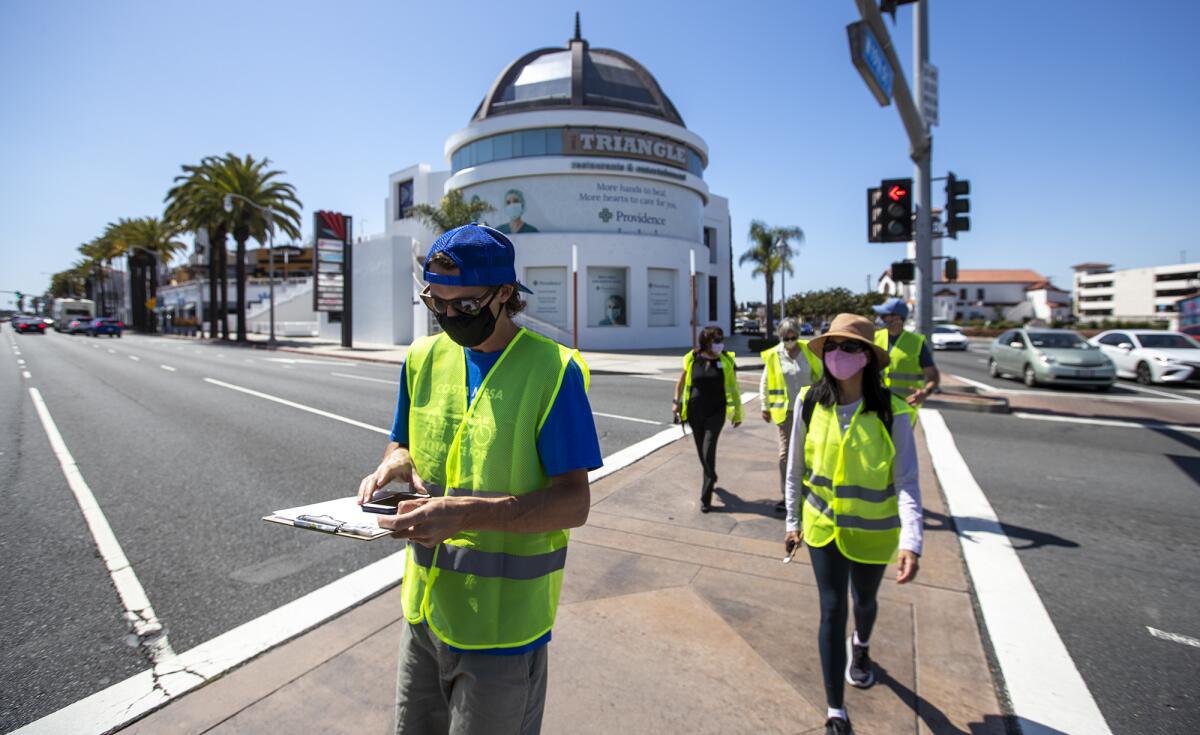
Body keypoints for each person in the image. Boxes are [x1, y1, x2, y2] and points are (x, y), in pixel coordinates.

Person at [356, 223, 602, 735]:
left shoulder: (554, 371)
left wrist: (467, 514)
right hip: (423, 615)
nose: (448, 316)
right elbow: (399, 439)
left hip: (504, 633)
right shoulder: (422, 359)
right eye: (436, 303)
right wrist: (394, 461)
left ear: (505, 294)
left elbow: (573, 503)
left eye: (464, 306)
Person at [783, 313, 923, 735]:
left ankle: (861, 646)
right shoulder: (808, 401)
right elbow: (795, 470)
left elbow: (908, 483)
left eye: (850, 347)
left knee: (863, 602)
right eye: (832, 347)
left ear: (867, 358)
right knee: (831, 609)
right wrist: (791, 521)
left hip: (874, 534)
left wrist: (912, 541)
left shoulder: (891, 413)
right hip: (822, 528)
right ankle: (835, 712)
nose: (838, 355)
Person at [672, 325, 743, 512]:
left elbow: (734, 388)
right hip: (695, 412)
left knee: (708, 450)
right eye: (716, 340)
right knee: (702, 452)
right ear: (706, 342)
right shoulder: (692, 358)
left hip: (716, 412)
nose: (719, 344)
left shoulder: (727, 361)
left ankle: (706, 497)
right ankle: (711, 474)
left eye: (721, 340)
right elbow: (681, 382)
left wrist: (737, 413)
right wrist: (675, 402)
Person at [759, 317, 823, 513]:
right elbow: (765, 381)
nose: (790, 341)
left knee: (808, 452)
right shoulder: (774, 355)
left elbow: (821, 376)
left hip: (809, 410)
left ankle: (808, 492)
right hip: (785, 412)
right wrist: (765, 405)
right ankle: (787, 495)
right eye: (786, 338)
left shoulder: (808, 351)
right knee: (785, 454)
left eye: (793, 337)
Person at [872, 298, 940, 410]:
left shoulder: (916, 342)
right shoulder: (875, 337)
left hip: (905, 408)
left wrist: (924, 392)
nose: (879, 318)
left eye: (883, 315)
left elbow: (933, 376)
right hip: (878, 405)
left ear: (897, 318)